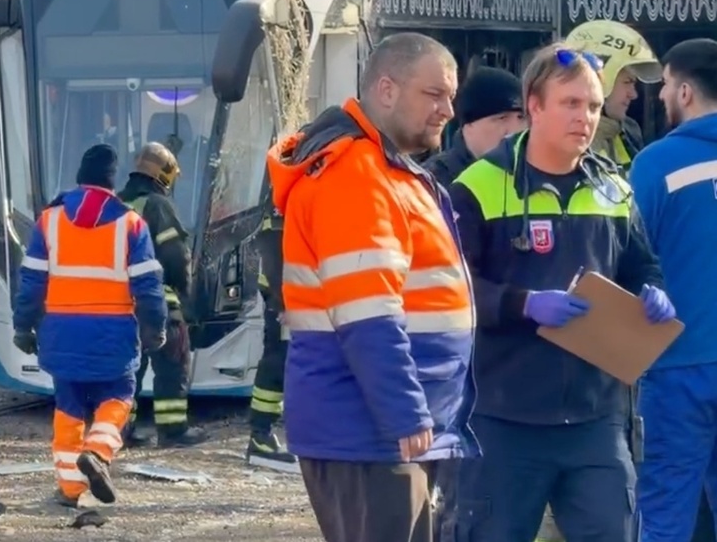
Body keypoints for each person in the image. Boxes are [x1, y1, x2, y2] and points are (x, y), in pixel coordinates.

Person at [450, 44, 673, 542]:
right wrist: (524, 304)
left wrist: (653, 293)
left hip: (595, 423)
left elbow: (642, 265)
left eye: (593, 106)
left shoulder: (613, 188)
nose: (585, 118)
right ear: (534, 105)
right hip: (504, 421)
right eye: (571, 104)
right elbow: (451, 294)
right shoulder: (478, 186)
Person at [265, 32, 476, 542]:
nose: (448, 109)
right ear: (386, 89)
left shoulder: (388, 171)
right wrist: (405, 413)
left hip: (382, 431)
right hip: (373, 433)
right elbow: (367, 312)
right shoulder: (357, 174)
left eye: (450, 96)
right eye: (434, 94)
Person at [13, 144, 167, 507]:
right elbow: (148, 285)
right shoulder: (131, 224)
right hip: (112, 335)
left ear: (80, 178)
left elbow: (31, 281)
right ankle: (97, 452)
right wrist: (154, 327)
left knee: (68, 408)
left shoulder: (49, 221)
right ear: (112, 184)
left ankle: (70, 488)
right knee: (119, 398)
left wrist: (23, 326)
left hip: (60, 335)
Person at [629, 39, 717, 542]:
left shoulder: (655, 164)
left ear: (684, 90)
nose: (661, 95)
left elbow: (630, 255)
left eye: (663, 84)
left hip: (676, 364)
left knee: (665, 513)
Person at [117, 142, 207, 449]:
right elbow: (175, 257)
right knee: (172, 363)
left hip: (119, 302)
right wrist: (185, 295)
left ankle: (120, 430)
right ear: (165, 174)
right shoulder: (158, 205)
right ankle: (172, 430)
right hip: (158, 299)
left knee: (129, 368)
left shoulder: (116, 204)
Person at [564, 20, 662, 171]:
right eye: (627, 82)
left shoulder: (629, 131)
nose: (634, 94)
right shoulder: (566, 141)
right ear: (599, 81)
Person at [244, 203, 298, 472]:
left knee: (282, 364)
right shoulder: (281, 211)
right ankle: (260, 435)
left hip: (295, 302)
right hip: (286, 305)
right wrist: (283, 304)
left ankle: (264, 434)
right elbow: (275, 263)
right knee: (277, 365)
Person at [424, 65, 525, 187]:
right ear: (469, 124)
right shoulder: (431, 182)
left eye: (521, 117)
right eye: (502, 118)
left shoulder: (531, 177)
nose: (516, 130)